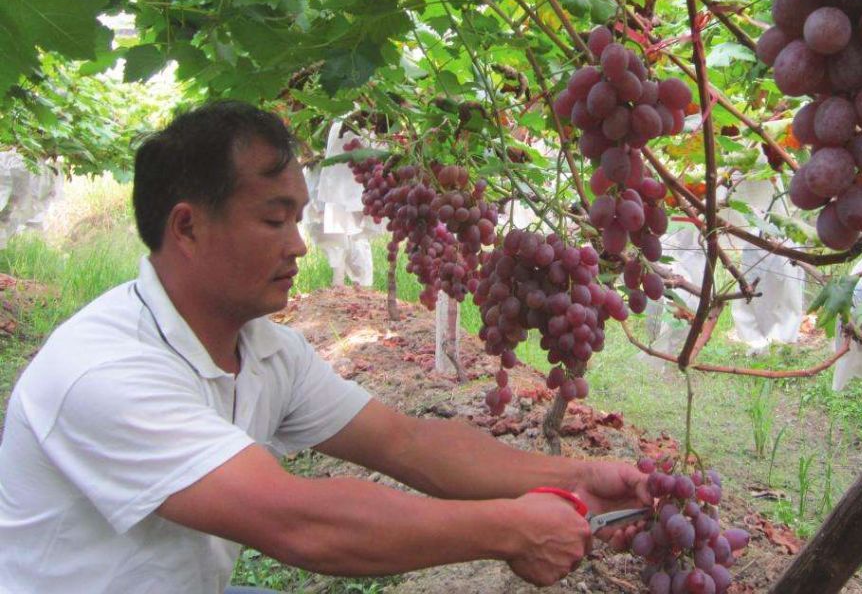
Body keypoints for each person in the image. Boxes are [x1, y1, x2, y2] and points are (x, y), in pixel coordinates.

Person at [0, 101, 648, 593]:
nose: (299, 246)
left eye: (299, 220)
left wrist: (574, 477)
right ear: (188, 227)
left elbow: (407, 445)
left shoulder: (265, 350)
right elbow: (303, 523)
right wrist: (513, 527)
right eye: (274, 219)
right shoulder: (104, 371)